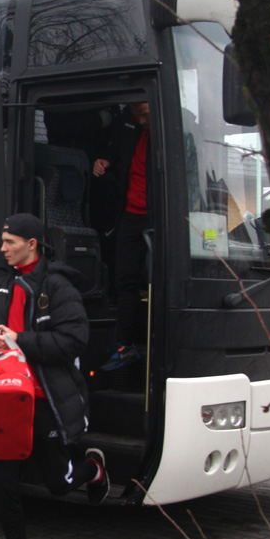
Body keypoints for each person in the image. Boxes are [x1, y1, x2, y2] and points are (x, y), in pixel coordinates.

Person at [0, 213, 109, 539]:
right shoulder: (3, 284)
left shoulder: (58, 285)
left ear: (31, 244)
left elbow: (73, 342)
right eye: (3, 242)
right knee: (3, 483)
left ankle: (92, 469)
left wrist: (20, 339)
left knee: (59, 485)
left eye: (10, 242)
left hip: (45, 400)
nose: (3, 249)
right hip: (7, 402)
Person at [92, 101, 151, 371]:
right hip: (129, 214)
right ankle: (124, 345)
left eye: (145, 115)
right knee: (124, 279)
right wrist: (105, 160)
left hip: (159, 216)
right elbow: (117, 155)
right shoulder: (128, 126)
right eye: (137, 115)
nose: (141, 121)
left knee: (158, 280)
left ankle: (156, 342)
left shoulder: (176, 129)